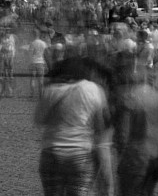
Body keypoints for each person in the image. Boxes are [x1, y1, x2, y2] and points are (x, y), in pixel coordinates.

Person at [36, 55, 112, 196]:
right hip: (80, 154)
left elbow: (39, 120)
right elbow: (100, 129)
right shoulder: (93, 89)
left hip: (51, 151)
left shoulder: (50, 90)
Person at [110, 54, 158, 196]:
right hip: (153, 156)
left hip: (133, 158)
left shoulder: (127, 99)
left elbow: (123, 134)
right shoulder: (154, 96)